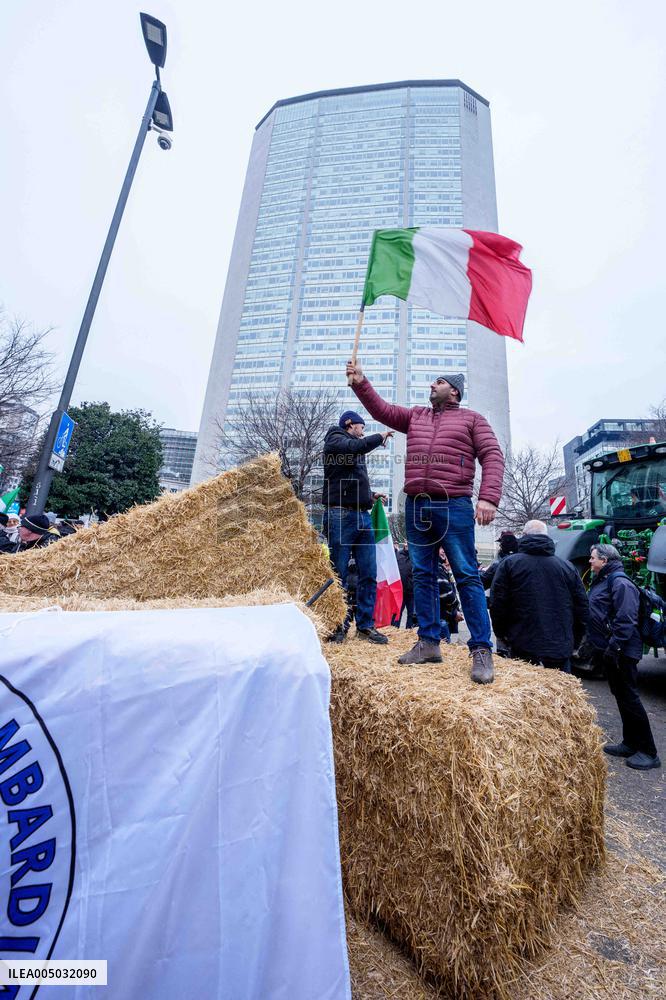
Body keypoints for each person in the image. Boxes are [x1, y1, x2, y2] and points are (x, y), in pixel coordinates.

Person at [347, 362, 504, 683]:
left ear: (455, 391)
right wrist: (361, 383)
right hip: (417, 506)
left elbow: (492, 455)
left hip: (454, 504)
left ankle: (481, 648)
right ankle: (429, 642)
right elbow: (383, 410)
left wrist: (488, 497)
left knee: (466, 574)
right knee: (423, 575)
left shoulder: (473, 419)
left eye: (439, 382)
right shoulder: (416, 416)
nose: (432, 385)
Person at [587, 543, 661, 770]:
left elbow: (626, 619)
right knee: (621, 696)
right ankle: (630, 743)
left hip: (622, 651)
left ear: (605, 561)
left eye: (593, 558)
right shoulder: (606, 580)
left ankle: (649, 752)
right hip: (612, 650)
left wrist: (615, 647)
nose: (590, 561)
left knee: (630, 697)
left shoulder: (620, 583)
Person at [322, 409, 393, 644]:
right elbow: (355, 447)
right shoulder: (334, 439)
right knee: (339, 574)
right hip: (340, 515)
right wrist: (378, 437)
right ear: (350, 424)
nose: (363, 431)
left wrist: (370, 496)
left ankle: (365, 626)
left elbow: (349, 480)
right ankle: (336, 625)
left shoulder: (352, 449)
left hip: (362, 516)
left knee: (369, 573)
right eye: (361, 426)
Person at [489, 520, 589, 672]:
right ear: (547, 536)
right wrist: (574, 640)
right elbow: (581, 607)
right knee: (560, 691)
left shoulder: (509, 564)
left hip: (521, 643)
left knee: (527, 692)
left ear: (524, 535)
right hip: (559, 645)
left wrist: (502, 634)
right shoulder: (567, 567)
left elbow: (498, 604)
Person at [394, 544, 415, 628]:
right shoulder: (398, 554)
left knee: (411, 613)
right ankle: (395, 630)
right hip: (399, 590)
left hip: (411, 590)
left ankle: (409, 631)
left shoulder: (415, 555)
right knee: (397, 612)